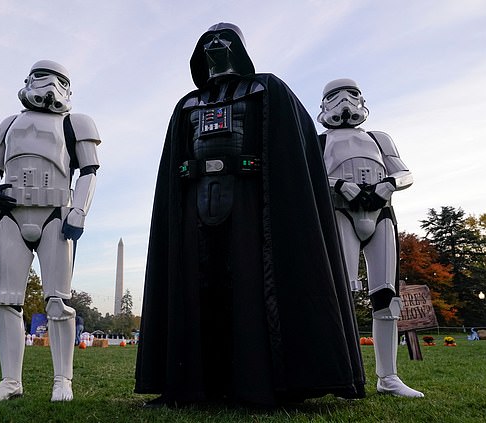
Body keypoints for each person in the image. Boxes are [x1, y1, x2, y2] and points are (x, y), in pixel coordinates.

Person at [135, 23, 365, 407]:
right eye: (208, 42)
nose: (217, 47)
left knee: (252, 285)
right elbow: (178, 156)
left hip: (252, 203)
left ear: (240, 47)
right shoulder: (188, 105)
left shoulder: (266, 89)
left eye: (225, 40)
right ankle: (194, 385)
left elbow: (292, 146)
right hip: (195, 201)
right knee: (197, 285)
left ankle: (263, 384)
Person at [0, 60, 101, 402]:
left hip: (55, 215)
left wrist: (79, 210)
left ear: (67, 87)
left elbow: (89, 171)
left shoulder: (76, 124)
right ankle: (10, 381)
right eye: (39, 78)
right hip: (11, 215)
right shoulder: (9, 123)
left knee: (58, 302)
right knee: (6, 301)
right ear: (27, 82)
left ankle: (63, 380)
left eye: (56, 80)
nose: (47, 86)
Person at [317, 78, 423, 398]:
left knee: (386, 297)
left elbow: (405, 172)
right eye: (335, 96)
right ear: (324, 105)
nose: (345, 102)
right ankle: (340, 372)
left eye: (351, 94)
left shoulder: (379, 139)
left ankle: (387, 376)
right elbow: (310, 175)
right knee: (340, 294)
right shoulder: (319, 142)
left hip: (381, 215)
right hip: (342, 214)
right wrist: (338, 185)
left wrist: (388, 185)